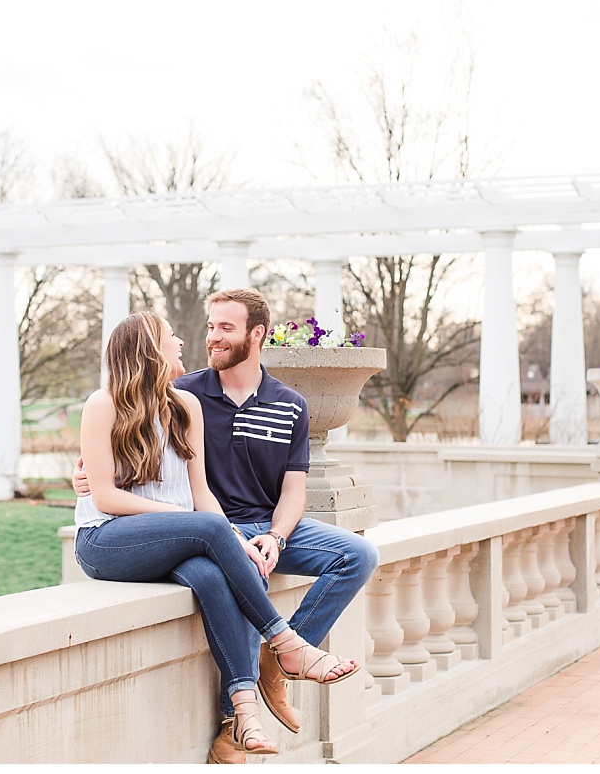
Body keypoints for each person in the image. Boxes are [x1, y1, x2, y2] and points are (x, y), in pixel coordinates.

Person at [76, 290, 380, 764]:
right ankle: (287, 645)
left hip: (217, 529)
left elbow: (219, 492)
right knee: (226, 550)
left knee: (345, 556)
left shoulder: (197, 406)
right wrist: (217, 531)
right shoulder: (160, 395)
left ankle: (244, 709)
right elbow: (104, 487)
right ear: (150, 351)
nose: (202, 338)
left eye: (223, 328)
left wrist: (269, 538)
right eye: (194, 331)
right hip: (144, 531)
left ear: (256, 335)